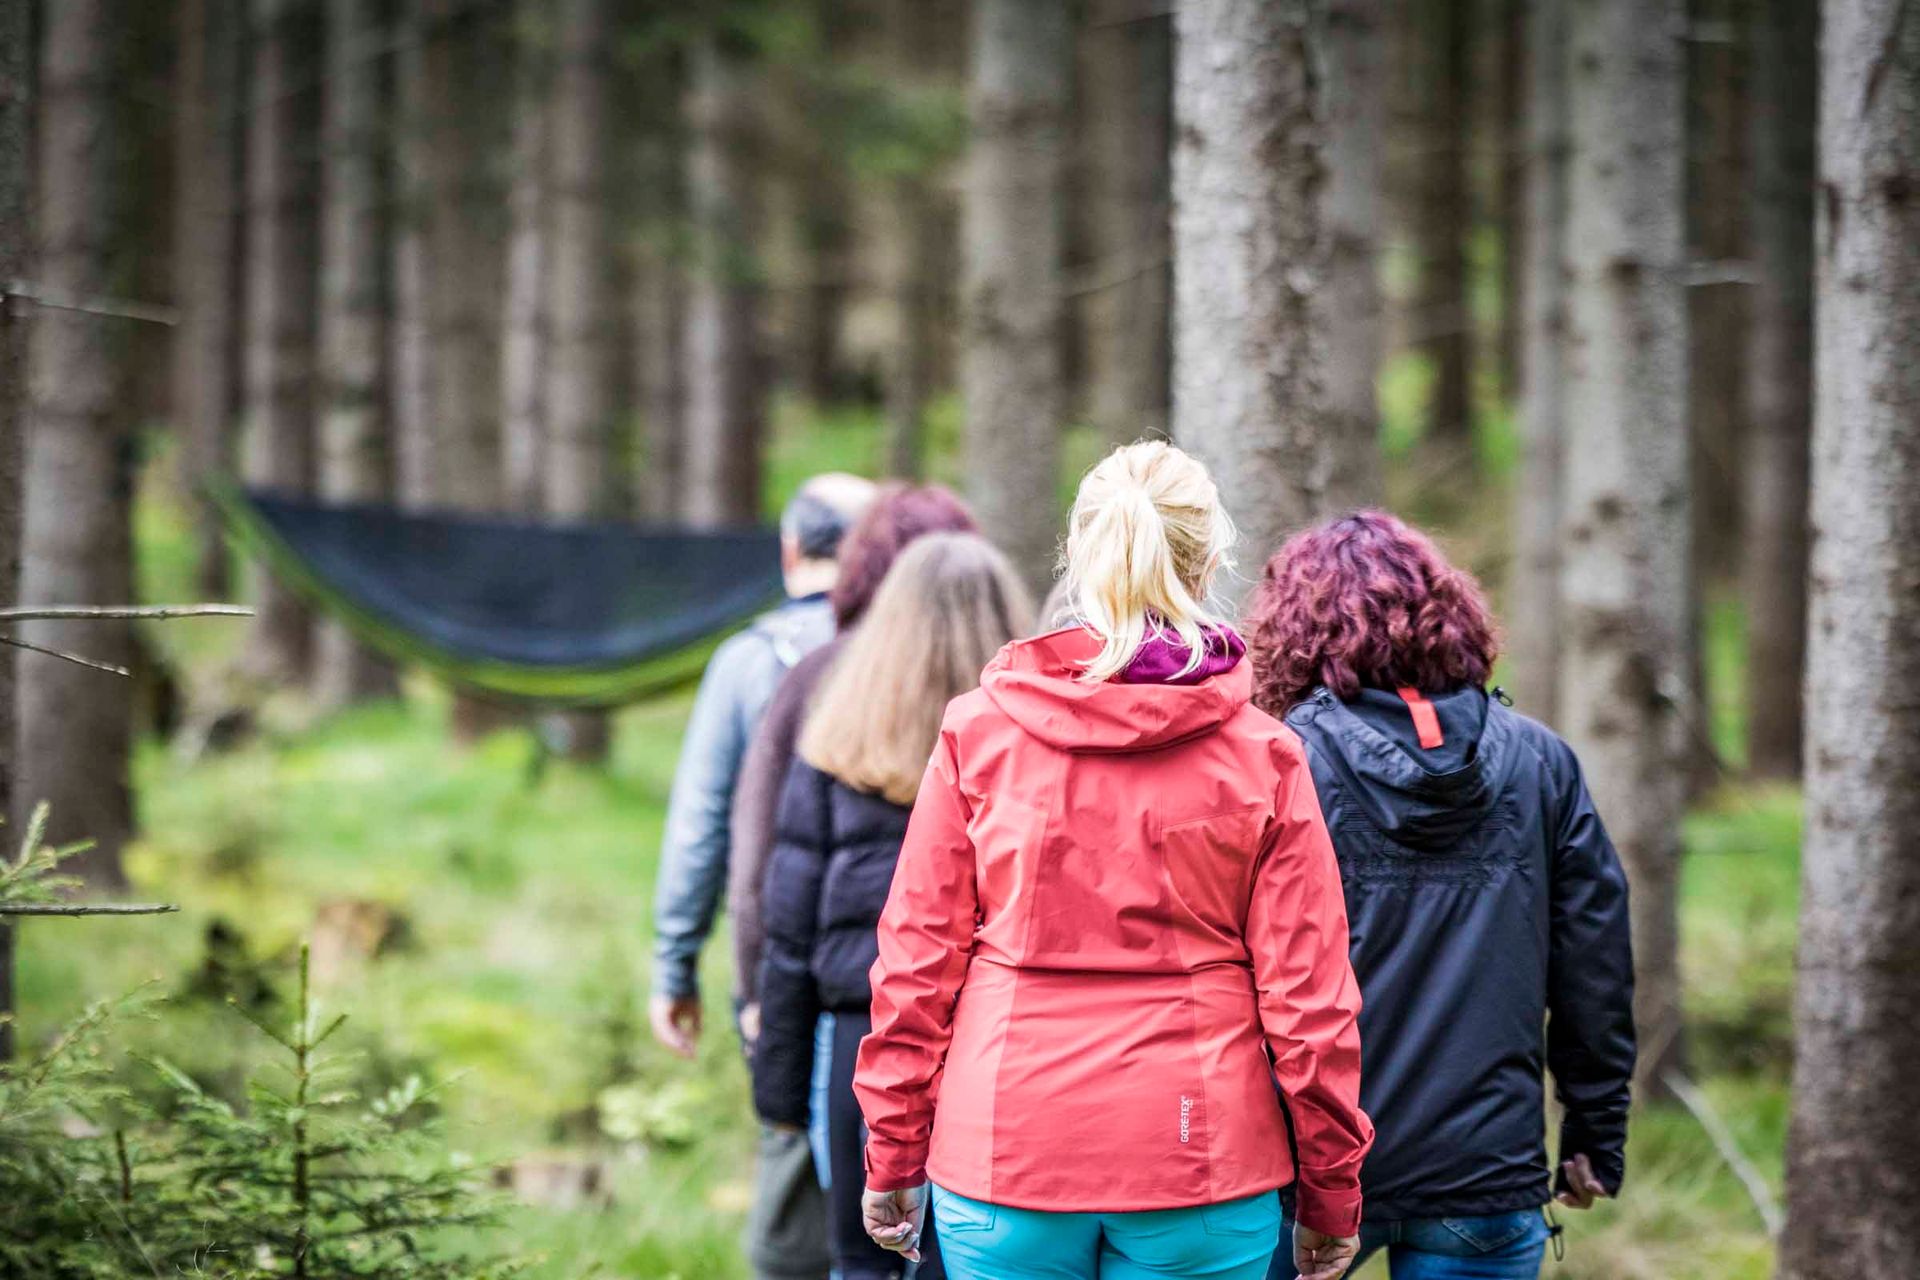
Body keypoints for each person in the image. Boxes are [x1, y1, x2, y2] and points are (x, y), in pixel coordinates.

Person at [855, 442, 1375, 1280]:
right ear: (1206, 564)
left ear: (1080, 555)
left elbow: (916, 966)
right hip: (1199, 1155)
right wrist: (1332, 1189)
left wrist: (892, 1151)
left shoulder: (980, 732)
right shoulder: (1265, 756)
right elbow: (1310, 1004)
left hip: (1005, 1147)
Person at [1242, 511, 1636, 1280]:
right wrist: (1596, 1131)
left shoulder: (1278, 763)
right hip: (1486, 1172)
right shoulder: (1541, 762)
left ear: (1292, 633)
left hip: (1307, 1172)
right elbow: (1595, 964)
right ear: (1451, 617)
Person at [753, 533, 1032, 1280]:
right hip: (996, 1042)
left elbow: (789, 926)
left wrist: (778, 1090)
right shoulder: (1028, 746)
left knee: (862, 1263)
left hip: (858, 1044)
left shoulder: (838, 737)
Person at [648, 472, 875, 1280]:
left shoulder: (747, 662)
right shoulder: (911, 660)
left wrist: (675, 963)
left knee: (793, 1200)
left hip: (778, 966)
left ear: (790, 551)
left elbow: (700, 826)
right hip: (898, 974)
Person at [728, 484, 979, 1044]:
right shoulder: (1013, 688)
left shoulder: (819, 680)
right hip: (979, 1014)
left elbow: (762, 856)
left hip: (849, 1008)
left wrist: (756, 997)